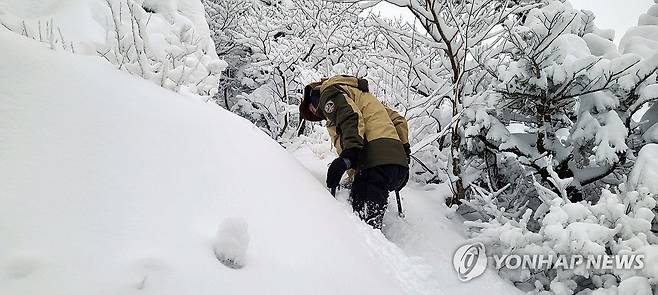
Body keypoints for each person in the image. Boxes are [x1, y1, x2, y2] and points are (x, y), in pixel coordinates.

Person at [299, 75, 410, 229]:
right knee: (372, 233)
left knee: (365, 233)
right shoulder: (365, 97)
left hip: (373, 163)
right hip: (399, 169)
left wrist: (349, 155)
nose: (317, 112)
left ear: (312, 98)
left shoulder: (327, 93)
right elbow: (399, 121)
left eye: (312, 109)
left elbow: (350, 116)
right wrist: (403, 152)